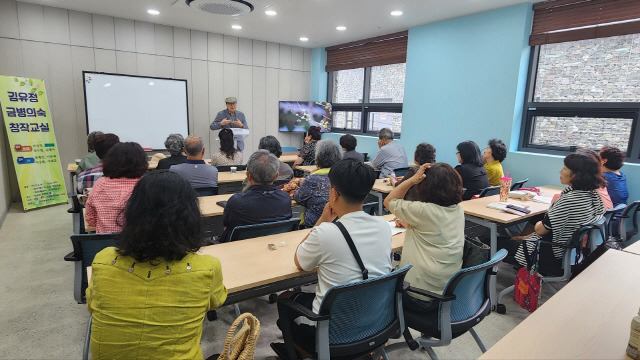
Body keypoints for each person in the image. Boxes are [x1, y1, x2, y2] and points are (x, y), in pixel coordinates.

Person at [87, 170, 227, 359]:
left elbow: (92, 304)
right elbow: (216, 301)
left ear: (132, 212)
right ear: (190, 217)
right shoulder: (207, 267)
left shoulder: (103, 261)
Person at [275, 159, 392, 354]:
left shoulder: (326, 233)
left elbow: (300, 262)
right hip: (375, 321)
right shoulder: (383, 227)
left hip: (331, 333)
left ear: (334, 193)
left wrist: (321, 221)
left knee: (285, 298)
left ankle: (303, 350)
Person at [502, 151, 605, 275]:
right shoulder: (593, 195)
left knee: (490, 241)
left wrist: (539, 223)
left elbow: (541, 230)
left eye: (565, 168)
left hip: (544, 253)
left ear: (577, 175)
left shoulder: (570, 199)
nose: (560, 172)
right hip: (569, 254)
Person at [384, 162, 465, 312]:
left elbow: (389, 201)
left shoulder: (422, 211)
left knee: (380, 281)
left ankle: (393, 323)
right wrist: (413, 224)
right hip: (448, 289)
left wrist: (412, 180)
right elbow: (436, 227)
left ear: (425, 187)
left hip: (418, 295)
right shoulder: (458, 210)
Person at [219, 150, 292, 242]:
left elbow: (226, 225)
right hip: (273, 248)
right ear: (276, 176)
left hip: (240, 250)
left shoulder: (236, 202)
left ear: (248, 176)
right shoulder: (285, 199)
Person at [85, 142, 148, 233]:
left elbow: (91, 220)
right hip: (138, 244)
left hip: (105, 244)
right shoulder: (146, 184)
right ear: (142, 162)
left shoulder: (100, 184)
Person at [293, 139, 342, 228]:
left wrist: (303, 183)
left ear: (318, 159)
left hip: (314, 226)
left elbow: (298, 198)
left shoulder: (312, 180)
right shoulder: (342, 175)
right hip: (339, 226)